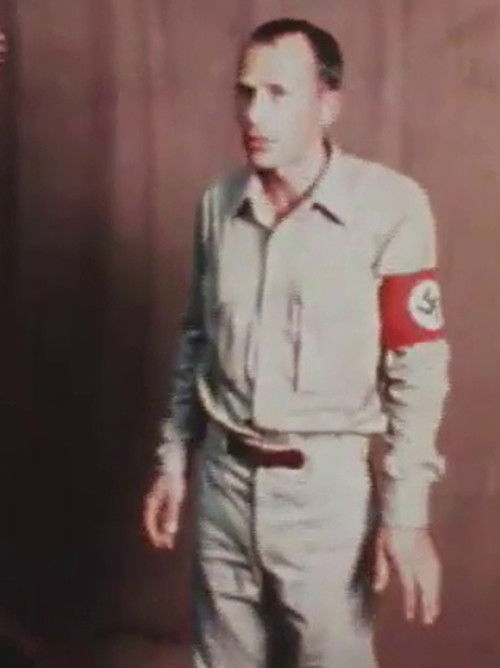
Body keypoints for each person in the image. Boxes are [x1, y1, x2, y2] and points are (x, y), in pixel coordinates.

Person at [143, 18, 450, 668]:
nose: (254, 114)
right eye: (246, 92)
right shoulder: (217, 206)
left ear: (328, 104)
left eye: (278, 94)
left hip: (326, 501)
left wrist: (407, 515)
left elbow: (418, 372)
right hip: (223, 489)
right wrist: (173, 462)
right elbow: (196, 341)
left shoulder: (391, 209)